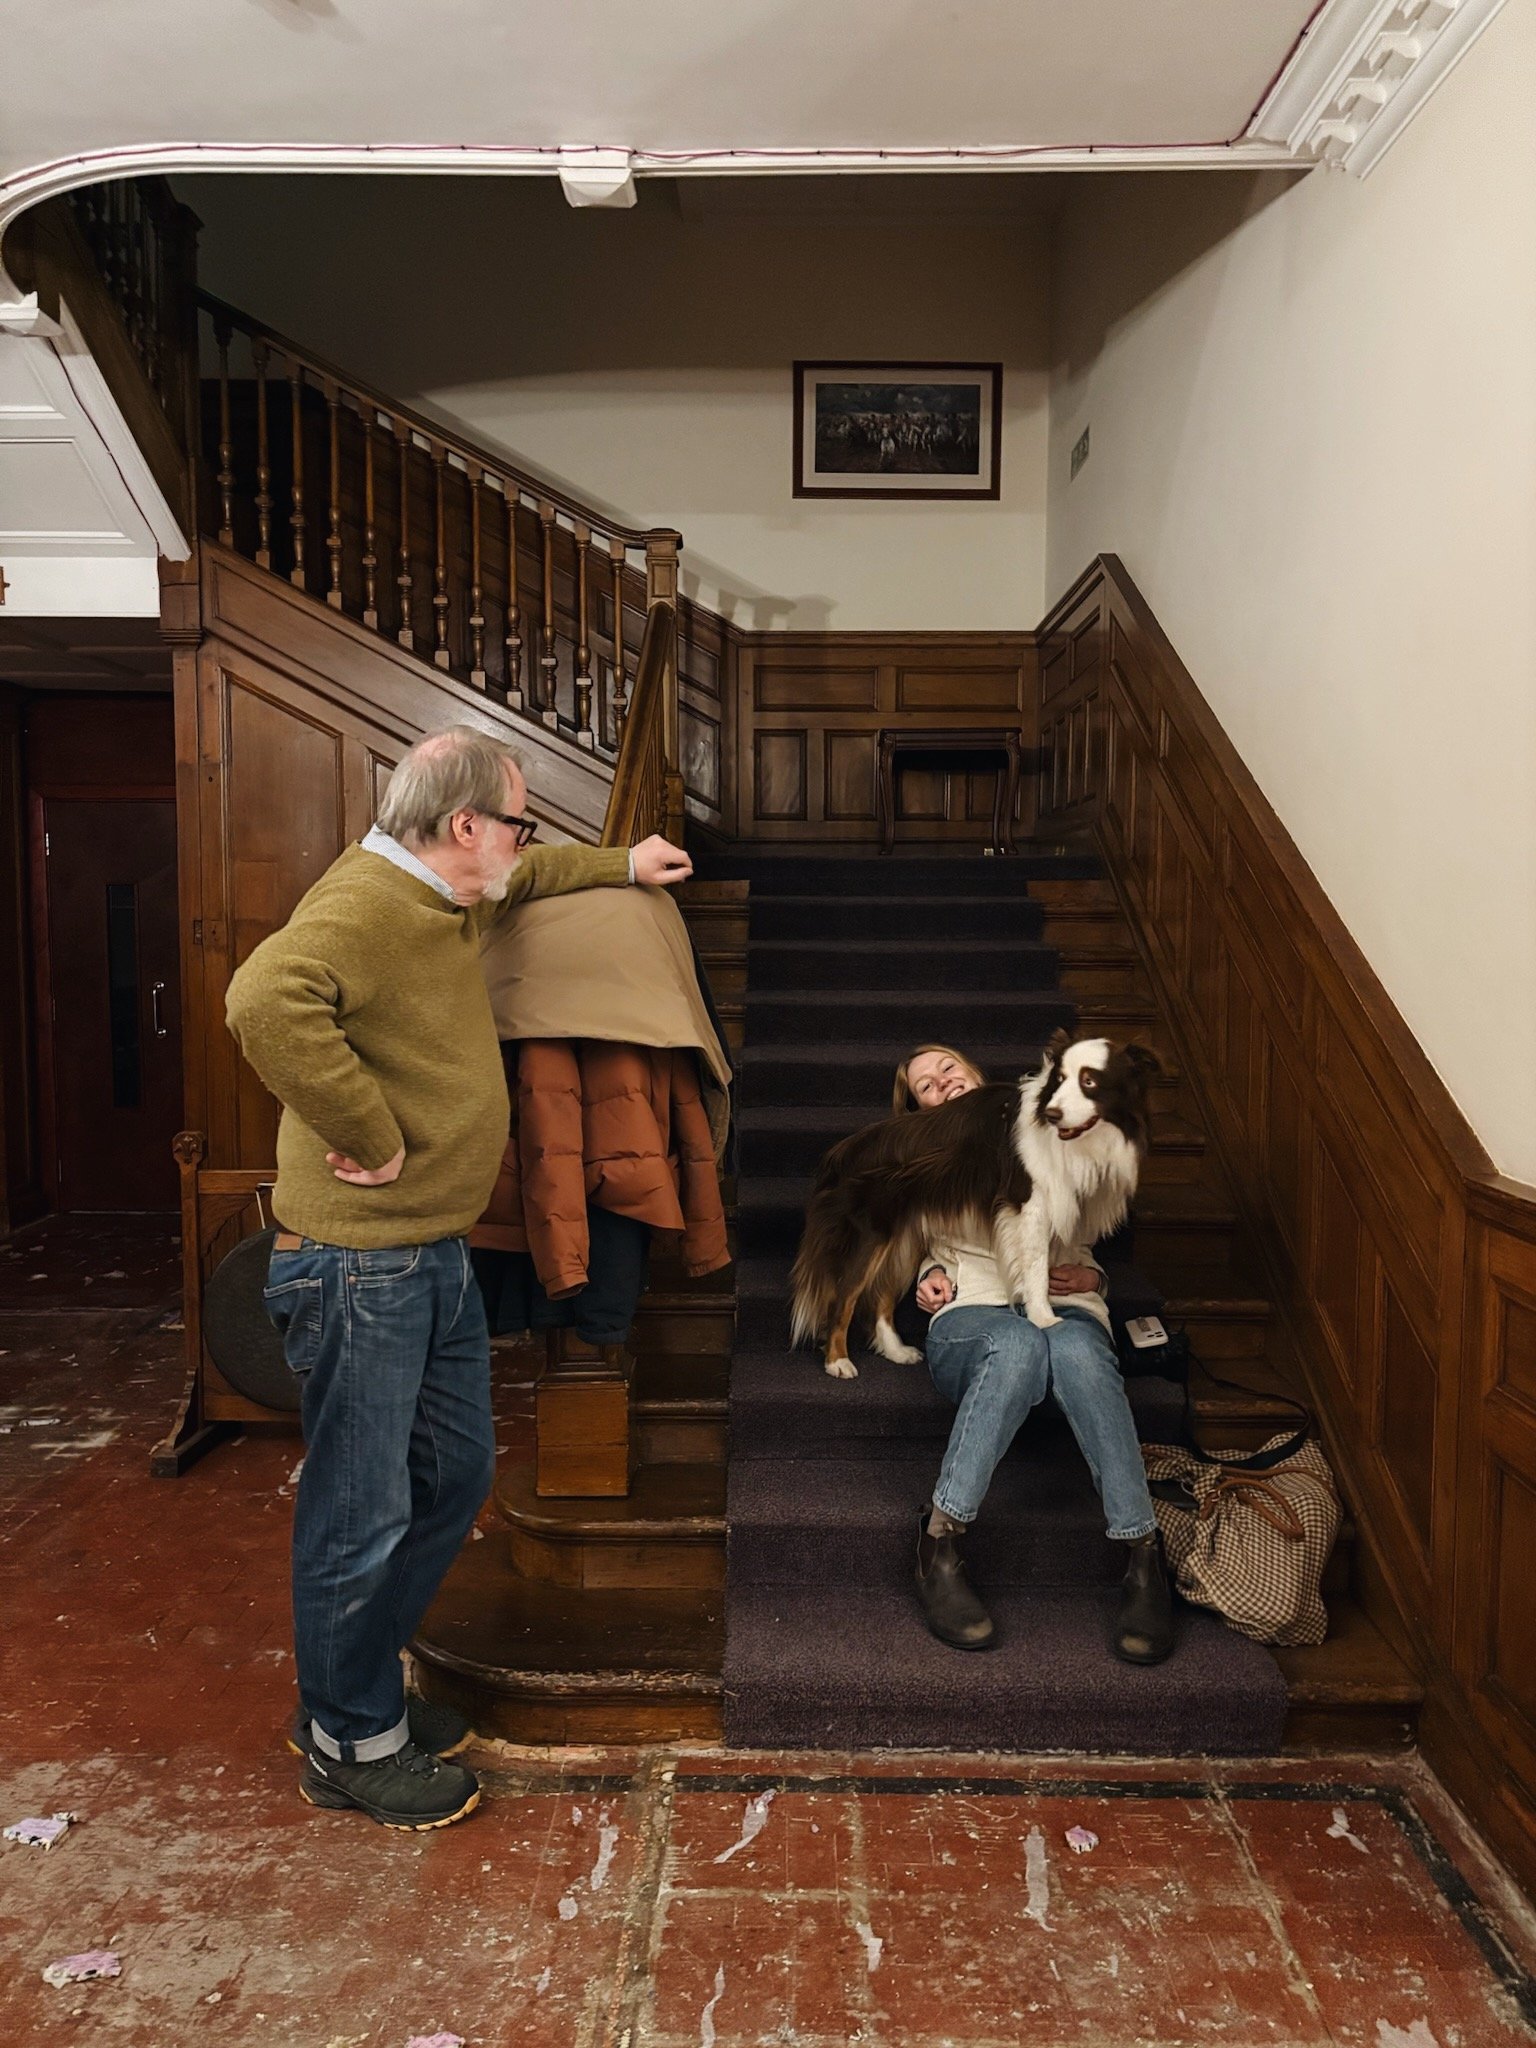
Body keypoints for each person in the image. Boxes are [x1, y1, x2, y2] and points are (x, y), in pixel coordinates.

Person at [225, 724, 692, 1830]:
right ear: (464, 823)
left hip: (425, 1253)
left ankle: (357, 1693)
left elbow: (531, 873)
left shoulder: (448, 890)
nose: (527, 841)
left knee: (455, 1477)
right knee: (361, 1506)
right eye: (519, 819)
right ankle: (347, 1736)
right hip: (357, 1263)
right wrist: (368, 1129)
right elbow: (262, 1000)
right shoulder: (365, 907)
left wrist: (623, 863)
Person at [891, 1043, 1173, 1666]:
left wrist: (1096, 1284)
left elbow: (1092, 1224)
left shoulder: (1053, 1123)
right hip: (975, 1312)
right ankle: (939, 1541)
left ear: (975, 1072)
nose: (942, 1084)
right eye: (927, 1088)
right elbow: (907, 1242)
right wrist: (927, 1274)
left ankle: (1143, 1556)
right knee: (1016, 1344)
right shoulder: (923, 1153)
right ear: (918, 1110)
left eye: (948, 1071)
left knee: (1076, 1352)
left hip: (1064, 1300)